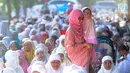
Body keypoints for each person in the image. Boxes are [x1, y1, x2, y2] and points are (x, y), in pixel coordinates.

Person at [64, 9, 97, 73]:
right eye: (79, 18)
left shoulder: (80, 28)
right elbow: (70, 48)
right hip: (78, 61)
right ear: (74, 18)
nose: (81, 20)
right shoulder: (70, 31)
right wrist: (84, 45)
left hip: (85, 58)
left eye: (82, 18)